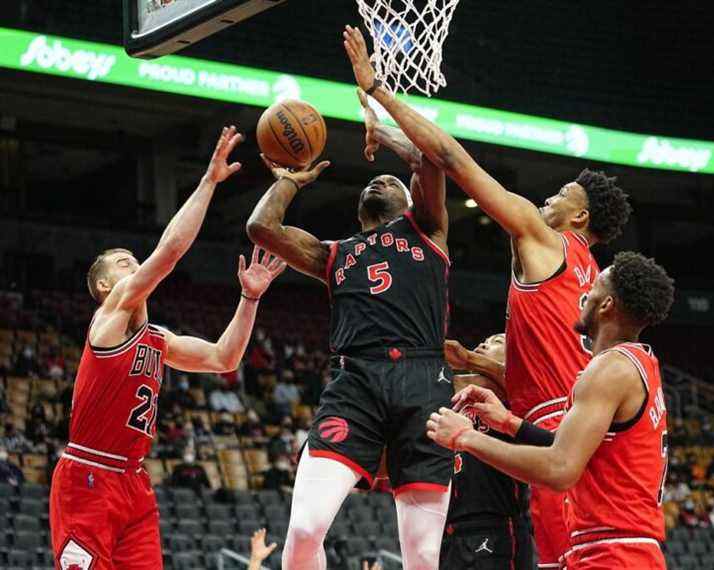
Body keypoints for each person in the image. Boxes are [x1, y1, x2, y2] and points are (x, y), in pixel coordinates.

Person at [343, 25, 632, 570]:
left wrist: (379, 89)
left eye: (560, 194)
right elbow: (548, 350)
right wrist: (388, 138)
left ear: (580, 217)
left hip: (548, 435)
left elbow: (452, 160)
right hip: (575, 434)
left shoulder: (545, 239)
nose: (547, 197)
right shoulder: (592, 277)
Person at [49, 126, 287, 570]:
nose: (135, 265)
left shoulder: (159, 340)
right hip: (88, 477)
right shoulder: (108, 319)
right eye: (124, 264)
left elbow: (224, 358)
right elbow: (170, 252)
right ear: (104, 286)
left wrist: (249, 298)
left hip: (135, 483)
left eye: (134, 260)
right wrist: (208, 182)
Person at [247, 91, 452, 570]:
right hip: (355, 382)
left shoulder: (428, 227)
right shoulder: (334, 253)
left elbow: (428, 156)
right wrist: (289, 181)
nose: (379, 178)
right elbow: (261, 226)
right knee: (303, 529)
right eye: (375, 179)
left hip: (423, 383)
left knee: (423, 556)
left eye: (391, 179)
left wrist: (380, 131)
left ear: (409, 200)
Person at [427, 252, 675, 569]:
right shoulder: (637, 364)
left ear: (606, 305)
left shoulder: (611, 368)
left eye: (592, 291)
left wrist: (465, 437)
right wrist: (509, 423)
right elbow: (569, 448)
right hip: (614, 549)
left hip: (613, 553)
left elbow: (559, 469)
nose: (582, 297)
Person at [441, 334, 532, 570]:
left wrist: (470, 358)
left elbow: (513, 379)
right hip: (448, 528)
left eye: (496, 342)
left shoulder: (516, 394)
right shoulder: (454, 399)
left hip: (496, 524)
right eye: (483, 341)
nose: (483, 344)